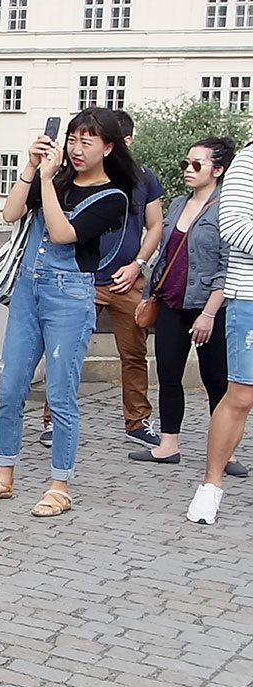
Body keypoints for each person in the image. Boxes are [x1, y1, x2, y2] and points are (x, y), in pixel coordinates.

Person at [0, 107, 137, 517]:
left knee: (61, 394)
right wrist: (31, 168)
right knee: (10, 388)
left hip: (69, 295)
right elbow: (10, 213)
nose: (77, 149)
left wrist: (46, 180)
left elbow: (63, 234)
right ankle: (4, 475)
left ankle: (60, 484)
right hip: (28, 290)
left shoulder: (113, 196)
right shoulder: (55, 177)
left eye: (87, 141)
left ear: (108, 147)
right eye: (73, 139)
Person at [38, 110, 164, 450]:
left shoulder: (142, 178)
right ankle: (52, 420)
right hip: (81, 279)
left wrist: (138, 264)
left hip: (126, 279)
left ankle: (137, 422)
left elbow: (156, 225)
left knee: (134, 353)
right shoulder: (73, 177)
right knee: (64, 353)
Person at [132, 138, 242, 474]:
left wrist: (209, 312)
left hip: (209, 306)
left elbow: (228, 266)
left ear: (218, 170)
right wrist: (149, 292)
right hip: (171, 302)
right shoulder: (178, 204)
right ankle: (168, 444)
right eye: (186, 164)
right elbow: (165, 255)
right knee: (167, 373)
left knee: (216, 380)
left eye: (197, 165)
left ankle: (226, 454)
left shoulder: (226, 209)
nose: (188, 170)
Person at [191, 139, 253, 524]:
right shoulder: (248, 160)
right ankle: (211, 486)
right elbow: (232, 225)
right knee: (241, 395)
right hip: (249, 296)